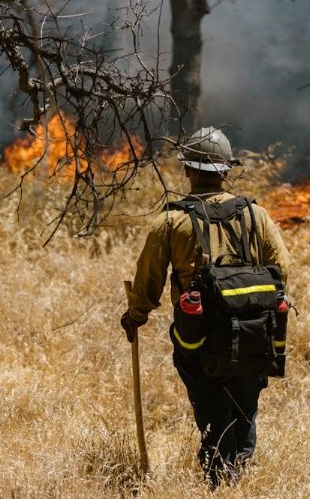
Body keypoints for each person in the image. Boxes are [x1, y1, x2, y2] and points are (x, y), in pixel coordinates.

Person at [120, 126, 290, 486]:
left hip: (199, 339)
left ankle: (220, 483)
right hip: (254, 336)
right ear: (226, 171)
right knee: (244, 415)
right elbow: (282, 270)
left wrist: (135, 316)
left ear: (187, 170)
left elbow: (148, 280)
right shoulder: (256, 216)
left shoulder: (171, 221)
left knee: (213, 414)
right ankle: (237, 480)